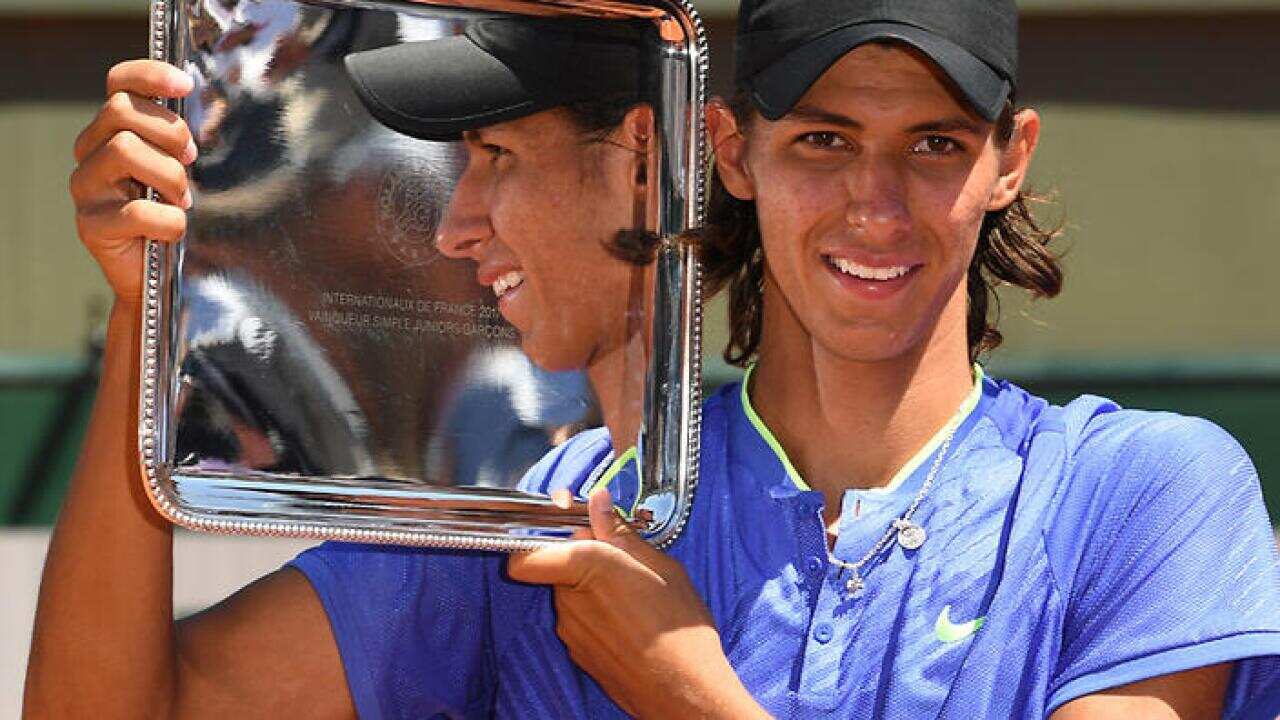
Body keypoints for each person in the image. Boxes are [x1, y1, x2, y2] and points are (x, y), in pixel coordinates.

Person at [26, 3, 1280, 720]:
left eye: (936, 146)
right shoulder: (533, 525)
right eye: (824, 142)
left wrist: (684, 692)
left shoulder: (1150, 490)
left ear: (1010, 157)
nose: (876, 205)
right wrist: (152, 309)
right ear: (730, 154)